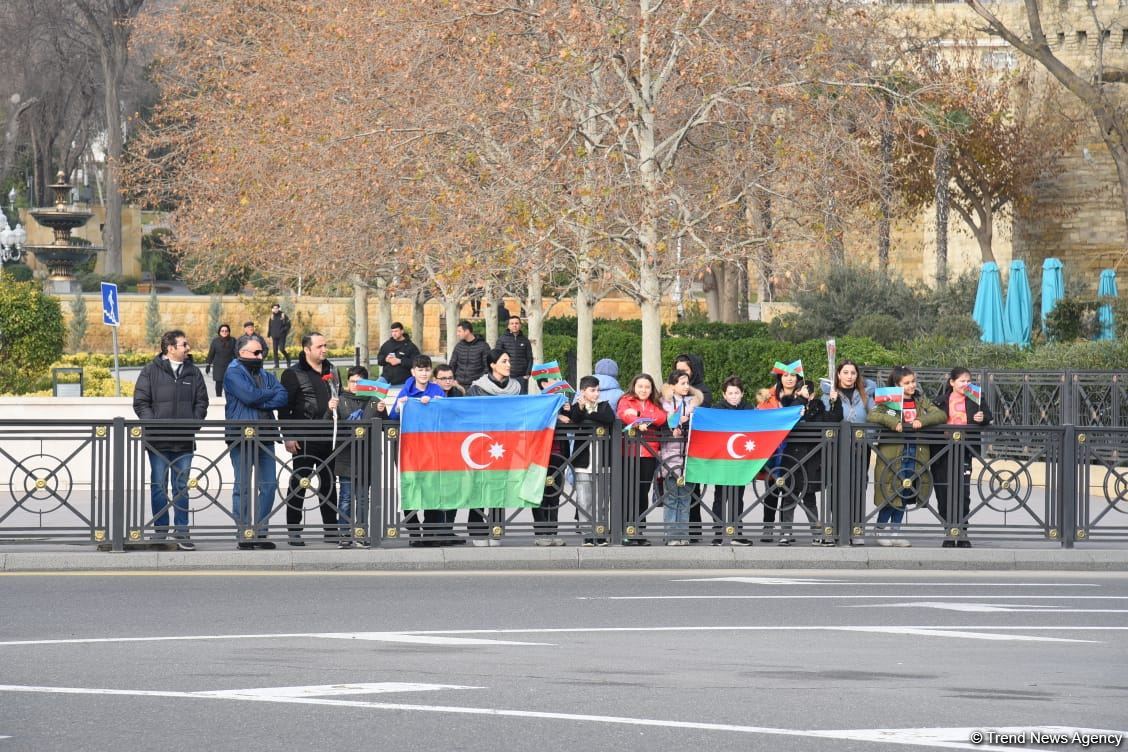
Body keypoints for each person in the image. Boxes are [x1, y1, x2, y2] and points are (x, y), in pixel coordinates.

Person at [132, 329, 209, 550]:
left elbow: (201, 402)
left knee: (182, 487)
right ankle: (160, 533)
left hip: (184, 441)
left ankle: (182, 533)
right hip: (157, 442)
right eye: (184, 344)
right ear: (170, 348)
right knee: (158, 486)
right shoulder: (149, 371)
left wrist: (194, 423)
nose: (188, 348)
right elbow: (140, 402)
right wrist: (153, 423)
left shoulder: (193, 372)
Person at [866, 365, 946, 547]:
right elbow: (873, 414)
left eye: (913, 382)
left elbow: (940, 415)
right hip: (892, 452)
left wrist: (921, 420)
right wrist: (894, 422)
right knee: (889, 490)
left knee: (905, 490)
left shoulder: (920, 399)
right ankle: (880, 529)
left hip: (915, 450)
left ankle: (896, 532)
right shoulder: (889, 401)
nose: (912, 386)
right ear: (896, 384)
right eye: (907, 383)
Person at [224, 334, 288, 549]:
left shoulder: (266, 374)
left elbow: (282, 397)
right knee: (242, 486)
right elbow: (248, 396)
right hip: (242, 436)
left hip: (266, 436)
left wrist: (261, 396)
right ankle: (244, 532)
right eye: (257, 352)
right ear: (242, 352)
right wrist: (266, 396)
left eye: (262, 352)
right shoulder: (232, 372)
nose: (261, 355)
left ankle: (260, 532)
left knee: (269, 486)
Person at [757, 362, 832, 545]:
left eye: (793, 375)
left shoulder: (811, 401)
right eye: (785, 375)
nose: (789, 378)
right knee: (774, 491)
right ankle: (770, 529)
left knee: (805, 495)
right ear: (780, 378)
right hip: (776, 451)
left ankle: (815, 532)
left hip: (802, 454)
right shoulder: (771, 398)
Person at [279, 332, 341, 546]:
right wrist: (288, 436)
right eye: (319, 346)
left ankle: (331, 530)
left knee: (329, 484)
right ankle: (294, 530)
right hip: (304, 438)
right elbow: (284, 409)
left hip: (330, 437)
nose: (324, 349)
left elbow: (338, 396)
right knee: (299, 484)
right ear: (307, 349)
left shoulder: (332, 370)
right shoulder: (292, 373)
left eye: (325, 345)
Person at [464, 349, 521, 544]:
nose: (508, 365)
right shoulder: (477, 388)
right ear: (492, 365)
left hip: (506, 445)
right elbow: (468, 415)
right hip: (482, 445)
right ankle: (477, 530)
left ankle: (496, 529)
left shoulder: (516, 387)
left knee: (499, 488)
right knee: (480, 486)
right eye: (504, 361)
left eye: (509, 361)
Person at [933, 367, 992, 548]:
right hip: (942, 451)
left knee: (963, 492)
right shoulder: (940, 401)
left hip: (964, 450)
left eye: (968, 381)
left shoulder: (976, 398)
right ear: (952, 382)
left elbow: (988, 416)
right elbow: (931, 419)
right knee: (943, 492)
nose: (965, 384)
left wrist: (982, 418)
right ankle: (949, 531)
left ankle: (962, 531)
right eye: (961, 381)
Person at [821, 359, 877, 539]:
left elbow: (875, 414)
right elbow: (826, 418)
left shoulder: (865, 394)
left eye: (853, 373)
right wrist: (832, 401)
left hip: (860, 447)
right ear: (838, 374)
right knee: (836, 485)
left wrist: (870, 436)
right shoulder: (828, 393)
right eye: (845, 372)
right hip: (837, 447)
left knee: (858, 485)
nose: (849, 376)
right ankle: (837, 528)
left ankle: (856, 528)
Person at [615, 373, 667, 546]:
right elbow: (623, 414)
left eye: (647, 387)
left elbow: (661, 417)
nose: (644, 390)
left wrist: (638, 414)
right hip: (628, 453)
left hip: (649, 453)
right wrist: (639, 418)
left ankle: (638, 530)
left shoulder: (655, 403)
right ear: (634, 386)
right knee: (628, 492)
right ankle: (624, 530)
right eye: (640, 386)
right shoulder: (625, 399)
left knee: (642, 493)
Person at [334, 366, 379, 549]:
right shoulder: (341, 400)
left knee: (362, 497)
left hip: (366, 455)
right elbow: (329, 424)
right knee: (345, 497)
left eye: (359, 382)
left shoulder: (374, 401)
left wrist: (382, 410)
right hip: (346, 455)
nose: (355, 385)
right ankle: (344, 534)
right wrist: (330, 411)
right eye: (352, 381)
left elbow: (382, 426)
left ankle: (361, 532)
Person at [568, 375, 616, 546]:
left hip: (603, 463)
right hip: (583, 463)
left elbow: (609, 418)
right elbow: (574, 418)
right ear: (583, 391)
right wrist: (581, 408)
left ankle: (600, 533)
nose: (596, 394)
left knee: (601, 502)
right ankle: (588, 535)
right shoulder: (577, 407)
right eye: (592, 390)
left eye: (598, 390)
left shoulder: (604, 405)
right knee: (584, 501)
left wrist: (591, 411)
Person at [658, 370, 702, 545]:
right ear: (673, 385)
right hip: (670, 455)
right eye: (682, 383)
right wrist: (674, 423)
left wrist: (690, 418)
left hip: (689, 456)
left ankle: (683, 535)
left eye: (687, 383)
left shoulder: (694, 403)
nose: (686, 387)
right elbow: (662, 422)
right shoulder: (665, 403)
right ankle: (670, 535)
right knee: (671, 497)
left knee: (685, 498)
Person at [710, 376, 754, 546]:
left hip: (740, 460)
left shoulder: (748, 408)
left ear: (742, 393)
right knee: (720, 496)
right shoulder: (717, 408)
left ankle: (737, 532)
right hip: (722, 459)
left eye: (737, 393)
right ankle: (718, 532)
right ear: (724, 394)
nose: (734, 396)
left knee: (738, 496)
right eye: (730, 393)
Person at [449, 320, 491, 391]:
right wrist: (453, 380)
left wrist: (479, 382)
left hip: (477, 386)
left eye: (459, 331)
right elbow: (452, 364)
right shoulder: (458, 346)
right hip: (458, 384)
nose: (457, 334)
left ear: (467, 331)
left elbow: (488, 367)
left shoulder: (483, 346)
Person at [376, 321, 420, 388]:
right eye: (392, 331)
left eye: (396, 331)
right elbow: (379, 360)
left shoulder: (411, 346)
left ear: (402, 331)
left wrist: (400, 361)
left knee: (397, 397)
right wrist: (386, 359)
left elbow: (417, 363)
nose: (394, 334)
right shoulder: (387, 344)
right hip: (385, 378)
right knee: (372, 390)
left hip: (403, 381)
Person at [495, 315, 532, 393]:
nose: (514, 325)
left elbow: (530, 358)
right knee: (507, 401)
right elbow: (497, 358)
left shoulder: (525, 340)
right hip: (506, 377)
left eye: (516, 323)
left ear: (520, 325)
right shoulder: (501, 339)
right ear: (508, 326)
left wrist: (527, 374)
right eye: (512, 323)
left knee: (522, 401)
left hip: (522, 377)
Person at [204, 323, 236, 398]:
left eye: (226, 331)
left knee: (229, 383)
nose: (224, 332)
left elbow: (236, 353)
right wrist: (208, 364)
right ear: (219, 332)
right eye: (222, 331)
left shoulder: (233, 340)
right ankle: (218, 398)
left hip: (230, 365)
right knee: (219, 383)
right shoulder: (215, 341)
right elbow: (211, 353)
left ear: (228, 332)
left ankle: (229, 399)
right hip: (218, 365)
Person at [267, 303, 292, 369]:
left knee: (281, 349)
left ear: (279, 308)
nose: (275, 309)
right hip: (274, 336)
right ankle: (276, 364)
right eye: (274, 308)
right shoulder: (271, 316)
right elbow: (270, 325)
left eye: (276, 308)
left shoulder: (283, 315)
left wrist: (283, 330)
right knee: (275, 351)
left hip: (281, 336)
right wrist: (269, 334)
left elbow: (288, 325)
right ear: (272, 309)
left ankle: (288, 359)